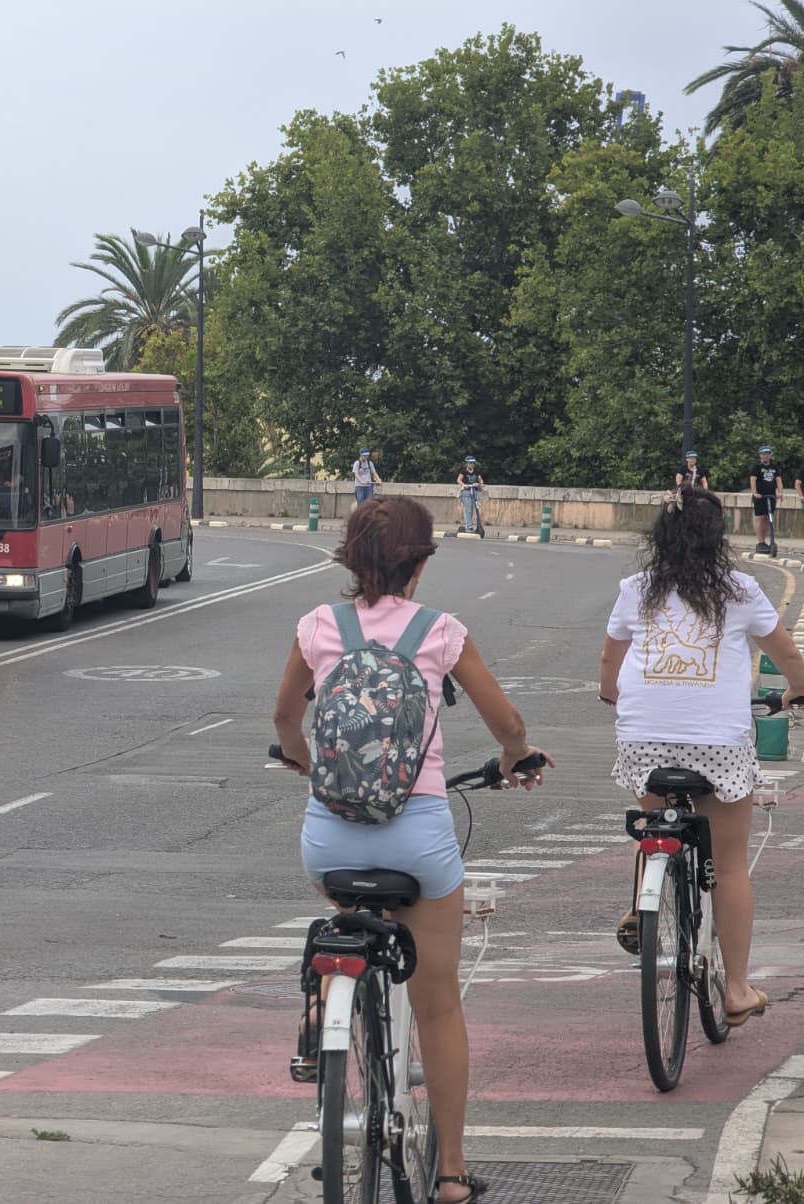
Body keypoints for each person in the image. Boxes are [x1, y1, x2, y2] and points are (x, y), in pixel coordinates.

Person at [272, 496, 551, 1204]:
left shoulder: (318, 626)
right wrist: (517, 754)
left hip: (329, 836)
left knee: (343, 903)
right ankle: (451, 1173)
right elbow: (506, 720)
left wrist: (302, 758)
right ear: (420, 562)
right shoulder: (440, 632)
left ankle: (327, 994)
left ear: (349, 557)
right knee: (438, 1005)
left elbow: (283, 716)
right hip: (420, 836)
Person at [599, 486, 804, 1029]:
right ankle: (736, 988)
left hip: (644, 739)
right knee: (730, 865)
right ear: (719, 539)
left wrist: (612, 695)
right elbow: (785, 654)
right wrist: (796, 693)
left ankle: (642, 903)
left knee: (652, 823)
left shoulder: (636, 588)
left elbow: (611, 658)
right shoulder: (740, 589)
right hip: (719, 744)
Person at [750, 446, 780, 555]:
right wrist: (755, 493)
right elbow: (753, 480)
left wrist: (780, 492)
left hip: (771, 496)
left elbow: (778, 479)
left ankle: (766, 541)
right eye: (763, 454)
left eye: (767, 453)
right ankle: (760, 542)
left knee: (768, 519)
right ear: (760, 455)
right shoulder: (757, 467)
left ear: (770, 455)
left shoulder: (774, 467)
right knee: (759, 518)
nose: (765, 455)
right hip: (760, 497)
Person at [455, 456, 484, 534]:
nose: (471, 465)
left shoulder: (476, 472)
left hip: (474, 491)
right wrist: (464, 485)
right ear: (467, 464)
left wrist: (481, 484)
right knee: (468, 509)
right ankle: (469, 526)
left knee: (474, 509)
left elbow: (480, 479)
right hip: (466, 492)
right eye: (470, 463)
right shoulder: (463, 472)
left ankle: (471, 525)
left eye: (473, 463)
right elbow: (458, 480)